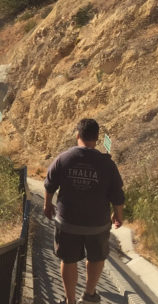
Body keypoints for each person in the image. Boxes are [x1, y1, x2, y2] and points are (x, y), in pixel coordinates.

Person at [44, 118, 125, 304]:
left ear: (77, 135)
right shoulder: (107, 164)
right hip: (97, 224)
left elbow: (49, 185)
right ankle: (89, 295)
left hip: (67, 222)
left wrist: (47, 205)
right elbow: (117, 196)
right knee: (97, 257)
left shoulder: (63, 158)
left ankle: (70, 300)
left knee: (68, 259)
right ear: (96, 138)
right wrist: (118, 215)